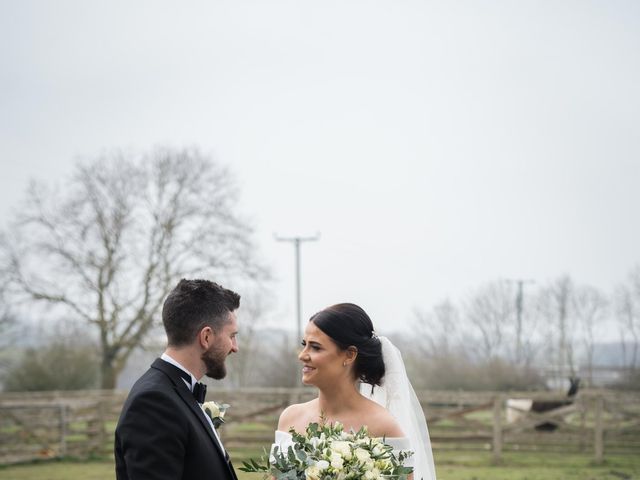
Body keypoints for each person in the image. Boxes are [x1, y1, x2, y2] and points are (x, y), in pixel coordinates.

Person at [276, 303, 436, 480]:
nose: (302, 355)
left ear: (350, 355)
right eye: (304, 344)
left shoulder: (384, 427)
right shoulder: (290, 418)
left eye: (315, 347)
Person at [115, 278, 241, 480]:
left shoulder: (175, 391)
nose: (235, 347)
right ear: (206, 337)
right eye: (232, 336)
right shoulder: (154, 403)